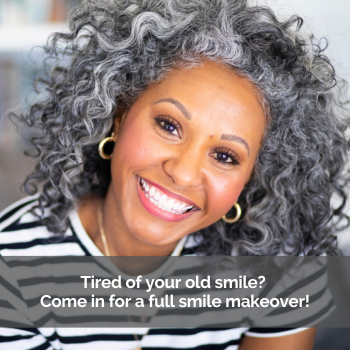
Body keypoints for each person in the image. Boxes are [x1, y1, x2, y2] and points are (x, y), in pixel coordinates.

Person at [0, 0, 348, 348]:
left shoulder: (280, 266)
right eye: (168, 125)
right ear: (118, 116)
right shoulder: (13, 268)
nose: (182, 173)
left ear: (252, 179)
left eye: (225, 156)